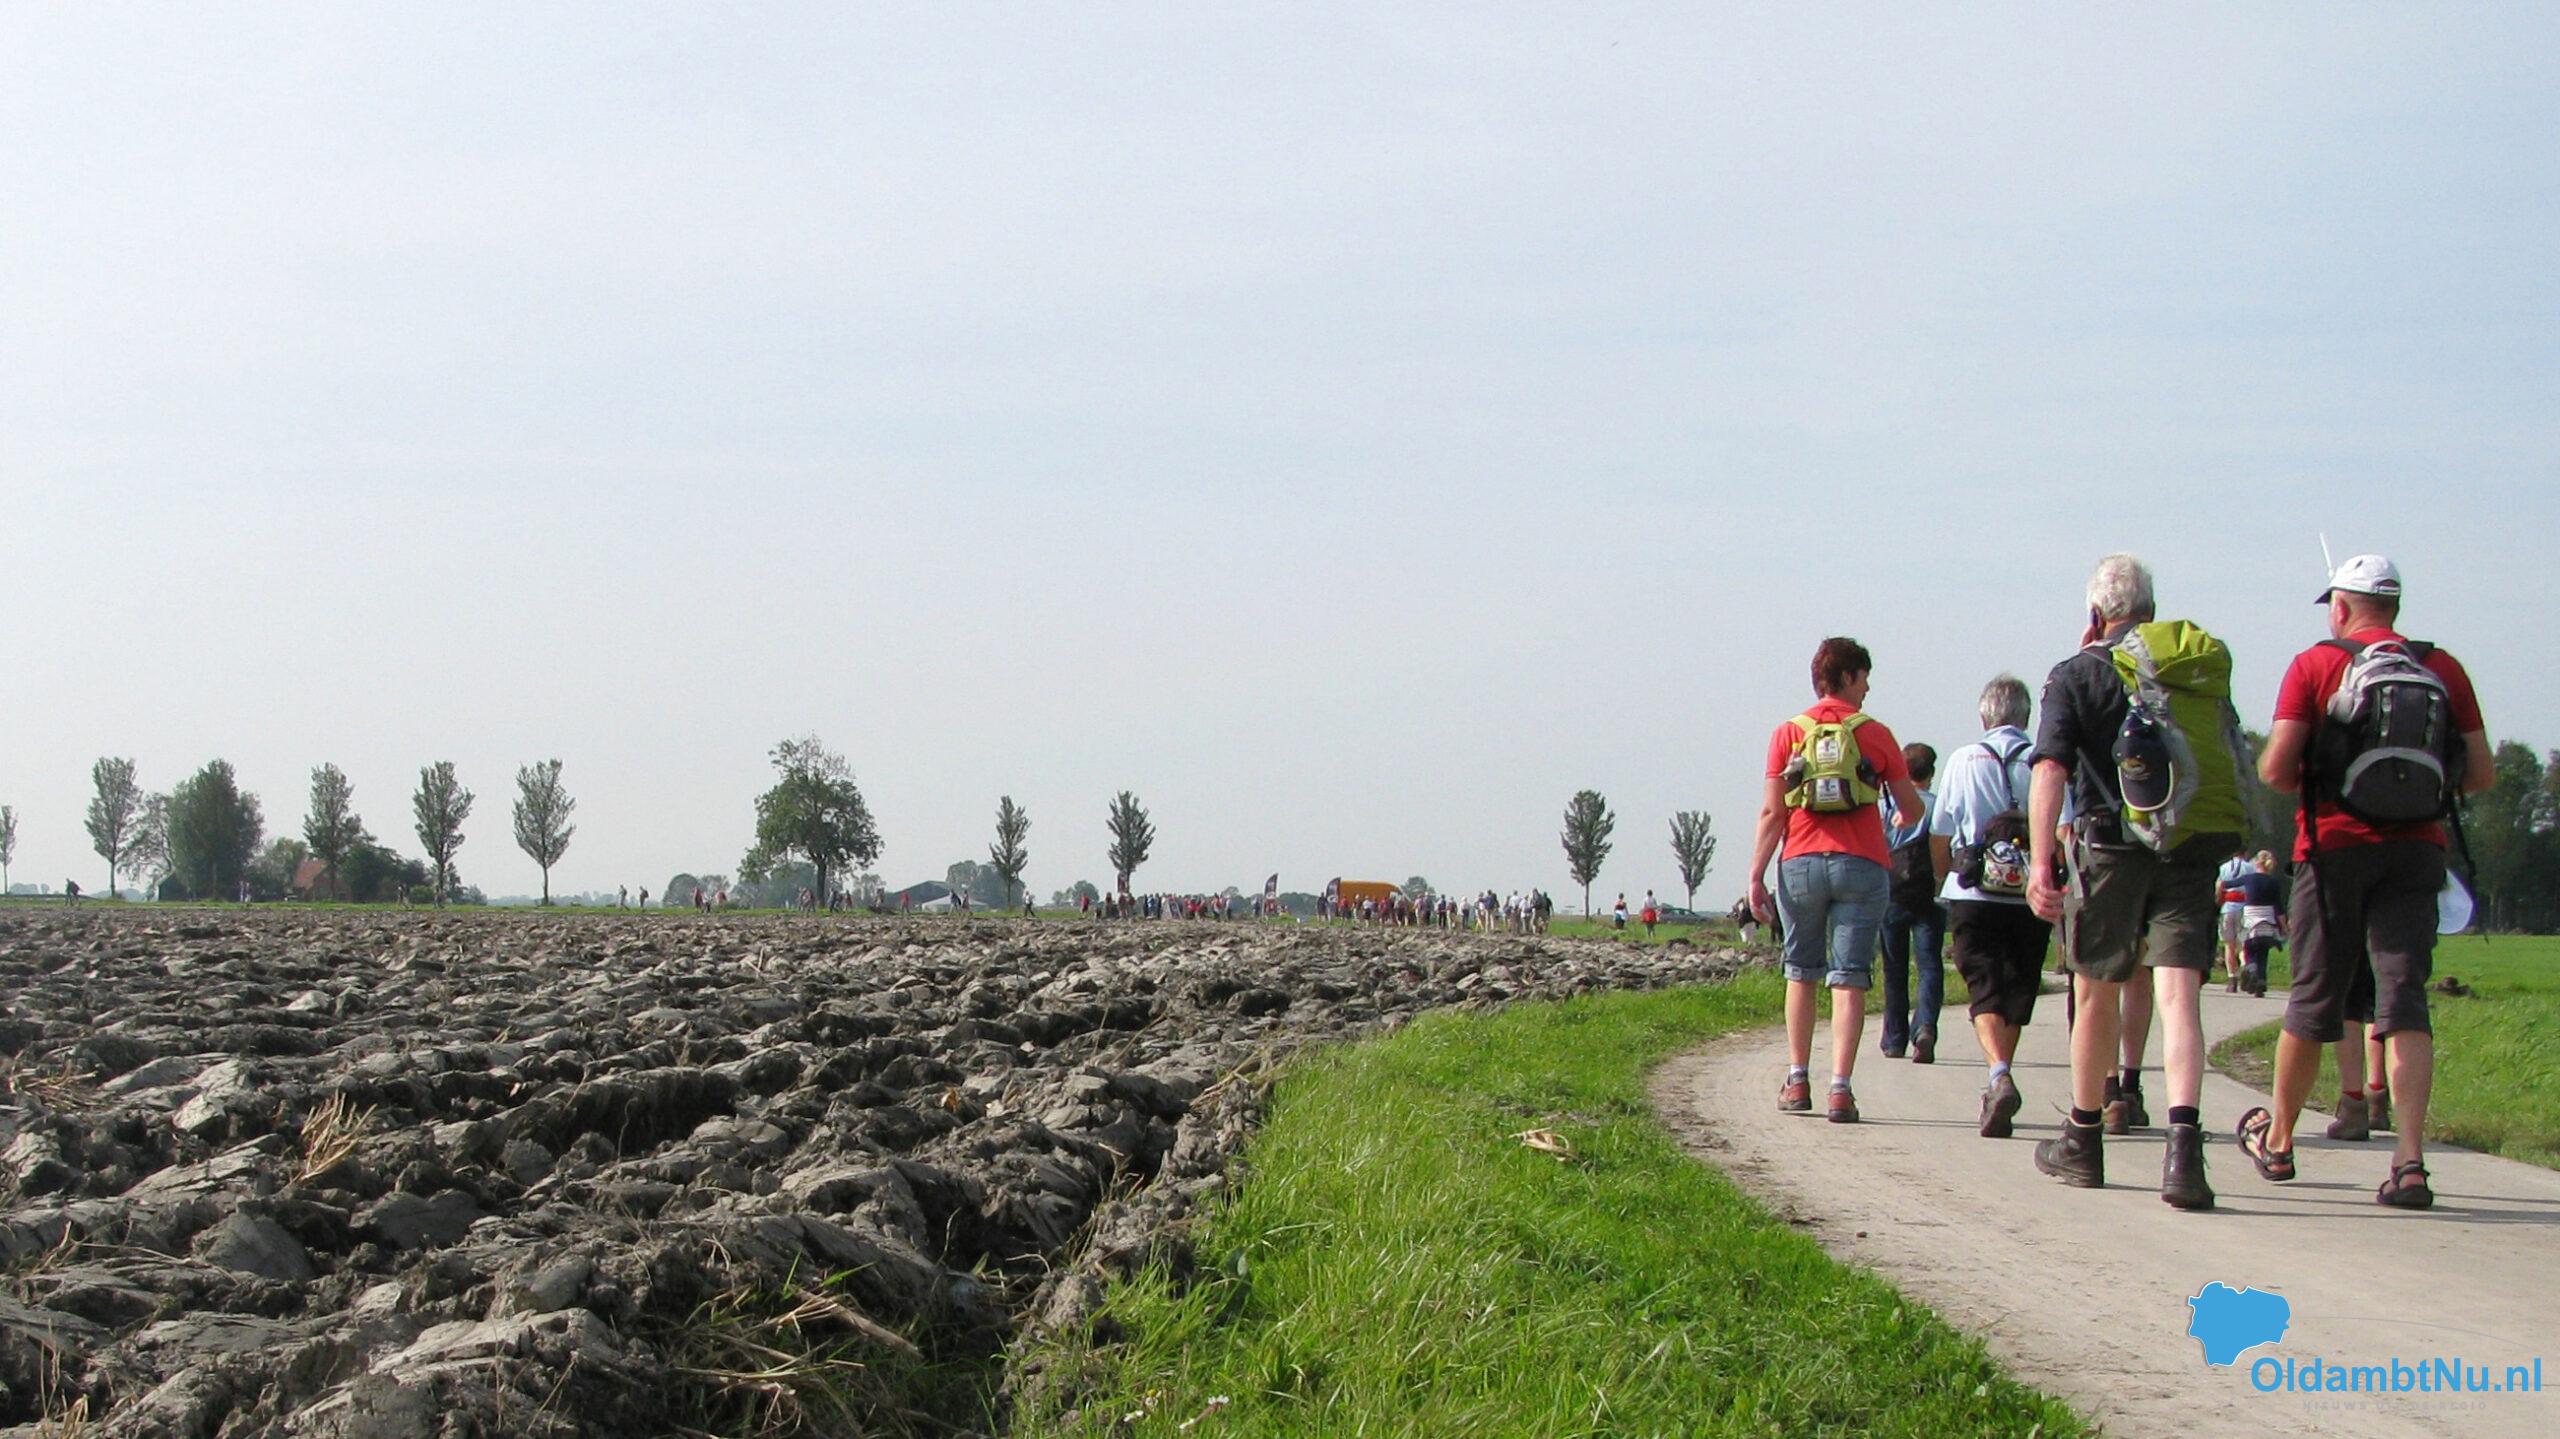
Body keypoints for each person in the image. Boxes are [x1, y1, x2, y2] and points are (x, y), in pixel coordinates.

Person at [2239, 554, 2489, 1210]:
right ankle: (2409, 1161)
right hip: (2417, 851)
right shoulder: (2443, 668)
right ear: (2396, 608)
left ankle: (2281, 1139)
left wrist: (2312, 776)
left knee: (2313, 999)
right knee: (2403, 1000)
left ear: (2342, 607)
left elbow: (2276, 766)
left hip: (2333, 849)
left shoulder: (2316, 664)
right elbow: (2483, 772)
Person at [2025, 554, 2234, 1210]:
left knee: (2096, 993)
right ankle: (2183, 1154)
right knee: (2179, 994)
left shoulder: (2076, 673)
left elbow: (2051, 771)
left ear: (2095, 615)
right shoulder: (2186, 672)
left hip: (2110, 847)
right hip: (2187, 845)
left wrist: (2039, 861)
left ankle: (2084, 1140)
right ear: (2151, 610)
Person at [1748, 637, 1925, 1124]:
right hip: (1862, 863)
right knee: (1849, 977)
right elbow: (1912, 809)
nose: (1867, 687)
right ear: (1847, 676)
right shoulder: (1876, 733)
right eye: (1864, 677)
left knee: (1800, 970)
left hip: (1801, 861)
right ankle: (1840, 1090)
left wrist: (1756, 874)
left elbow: (1772, 811)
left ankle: (1798, 1077)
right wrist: (1890, 824)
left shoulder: (1788, 732)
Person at [1929, 675, 2053, 1138]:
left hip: (1974, 892)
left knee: (1984, 986)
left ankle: (1999, 1074)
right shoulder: (2043, 761)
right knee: (2018, 989)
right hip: (2030, 894)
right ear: (2026, 718)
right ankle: (2000, 1071)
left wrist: (1946, 877)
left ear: (1984, 716)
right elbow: (2062, 828)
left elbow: (1940, 829)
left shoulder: (1964, 759)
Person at [1879, 742, 1946, 1063]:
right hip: (1929, 894)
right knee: (1930, 965)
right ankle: (1925, 1028)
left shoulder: (1886, 807)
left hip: (1892, 894)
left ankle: (1894, 1038)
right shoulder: (1939, 806)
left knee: (1895, 968)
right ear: (1931, 773)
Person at [2234, 851, 2285, 997]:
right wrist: (2283, 926)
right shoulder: (2273, 882)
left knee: (2250, 950)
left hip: (2251, 922)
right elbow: (2278, 906)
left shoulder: (2249, 879)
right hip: (2268, 923)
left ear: (2256, 862)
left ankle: (2253, 969)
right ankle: (2261, 982)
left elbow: (2229, 884)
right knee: (2263, 952)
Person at [2215, 846, 2252, 992]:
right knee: (2244, 943)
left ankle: (2232, 979)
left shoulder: (2223, 867)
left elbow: (2219, 887)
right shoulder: (2250, 867)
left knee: (2229, 945)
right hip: (2244, 906)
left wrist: (2218, 903)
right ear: (2245, 853)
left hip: (2227, 907)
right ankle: (2244, 966)